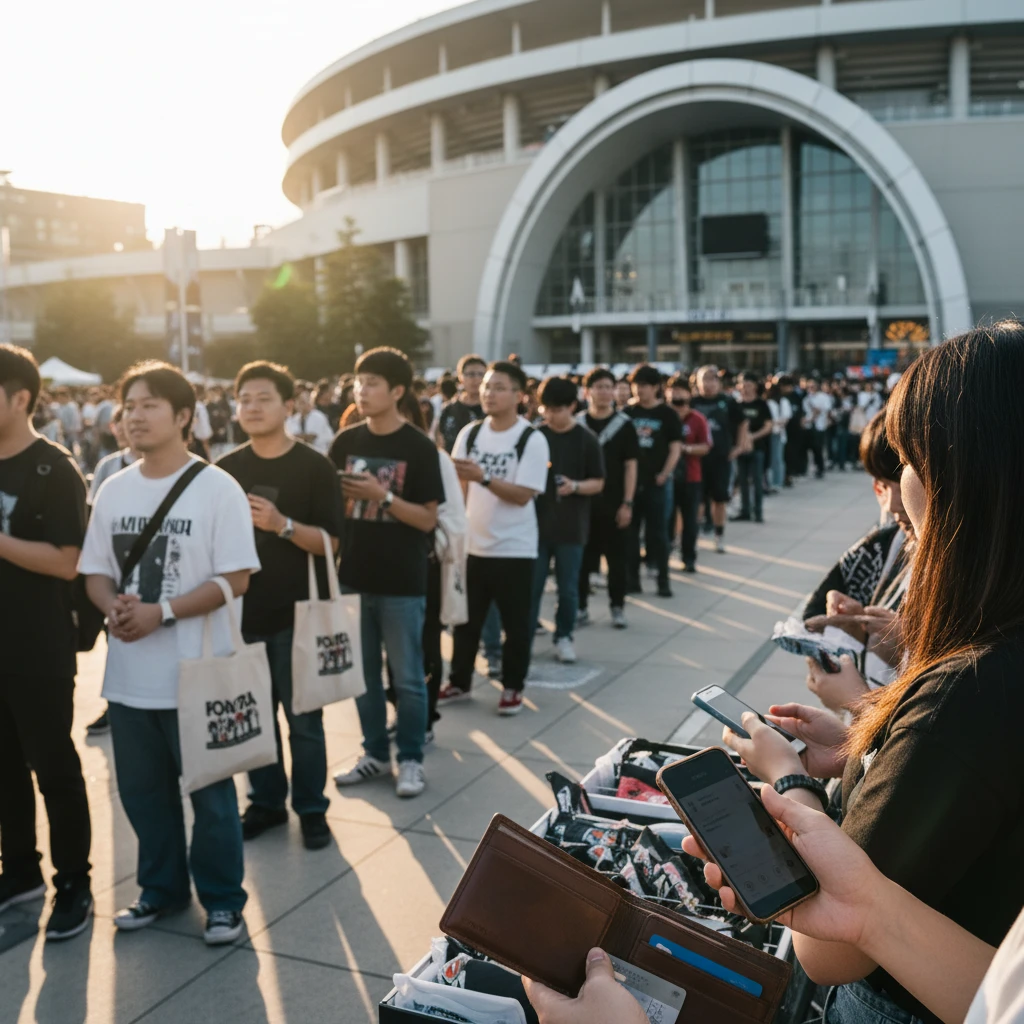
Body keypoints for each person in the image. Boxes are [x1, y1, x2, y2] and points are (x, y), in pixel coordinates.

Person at [717, 321, 1024, 1024]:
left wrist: (786, 781)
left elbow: (830, 950)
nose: (897, 488)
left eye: (911, 458)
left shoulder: (971, 691)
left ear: (966, 477)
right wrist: (865, 743)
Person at [79, 361, 260, 946]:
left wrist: (165, 612)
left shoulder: (217, 487)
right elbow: (95, 573)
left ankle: (224, 901)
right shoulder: (112, 487)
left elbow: (237, 577)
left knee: (211, 798)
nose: (135, 415)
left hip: (199, 674)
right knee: (143, 795)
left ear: (184, 416)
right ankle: (161, 887)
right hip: (129, 679)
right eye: (128, 404)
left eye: (149, 404)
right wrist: (113, 607)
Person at [217, 362, 345, 849]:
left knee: (304, 723)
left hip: (299, 617)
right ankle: (266, 803)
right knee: (254, 719)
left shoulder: (315, 467)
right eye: (243, 398)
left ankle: (312, 808)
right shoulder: (225, 470)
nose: (250, 407)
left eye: (262, 398)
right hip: (240, 616)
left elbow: (333, 543)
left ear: (290, 406)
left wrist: (282, 525)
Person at [0, 344, 93, 942]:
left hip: (38, 648)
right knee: (3, 769)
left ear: (20, 398)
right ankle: (20, 874)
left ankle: (73, 887)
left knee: (53, 767)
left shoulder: (53, 467)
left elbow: (66, 562)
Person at [329, 348, 444, 799]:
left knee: (409, 678)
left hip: (402, 582)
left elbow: (428, 519)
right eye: (359, 382)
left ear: (397, 391)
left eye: (372, 382)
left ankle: (410, 758)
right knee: (362, 678)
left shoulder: (418, 447)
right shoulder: (346, 441)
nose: (362, 390)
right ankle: (374, 753)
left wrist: (384, 497)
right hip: (353, 576)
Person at [438, 361, 550, 716]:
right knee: (465, 622)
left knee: (516, 626)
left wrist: (483, 478)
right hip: (473, 546)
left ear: (519, 396)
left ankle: (513, 687)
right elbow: (456, 487)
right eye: (486, 386)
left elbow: (523, 494)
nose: (488, 393)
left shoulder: (530, 438)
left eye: (499, 387)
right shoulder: (470, 434)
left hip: (515, 548)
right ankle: (459, 681)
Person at [530, 377, 604, 663]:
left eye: (558, 409)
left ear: (572, 406)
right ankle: (524, 637)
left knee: (568, 588)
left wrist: (574, 486)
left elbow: (598, 482)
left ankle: (564, 636)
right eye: (546, 408)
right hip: (536, 527)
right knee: (531, 588)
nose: (551, 415)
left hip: (572, 527)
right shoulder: (536, 435)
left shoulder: (587, 439)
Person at [576, 368, 638, 629]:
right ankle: (580, 607)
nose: (603, 392)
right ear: (587, 391)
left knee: (617, 560)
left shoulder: (625, 425)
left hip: (614, 504)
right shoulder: (576, 424)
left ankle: (617, 606)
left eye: (608, 386)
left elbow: (631, 466)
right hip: (581, 504)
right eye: (598, 386)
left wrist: (627, 502)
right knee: (581, 560)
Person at [624, 365, 682, 598]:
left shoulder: (667, 414)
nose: (640, 390)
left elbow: (675, 448)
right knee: (630, 535)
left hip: (657, 484)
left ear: (656, 387)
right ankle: (632, 579)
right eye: (636, 385)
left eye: (645, 385)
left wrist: (665, 473)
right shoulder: (627, 413)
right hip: (631, 485)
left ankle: (663, 580)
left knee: (658, 535)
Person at [690, 365, 747, 553]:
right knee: (696, 501)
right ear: (697, 382)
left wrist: (739, 446)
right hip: (696, 460)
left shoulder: (728, 402)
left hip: (721, 458)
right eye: (704, 379)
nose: (708, 383)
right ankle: (692, 537)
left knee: (719, 499)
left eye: (712, 379)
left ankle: (719, 535)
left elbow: (742, 422)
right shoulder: (692, 402)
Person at [665, 377, 710, 573]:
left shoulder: (697, 419)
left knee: (690, 520)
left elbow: (706, 446)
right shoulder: (664, 417)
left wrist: (685, 449)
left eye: (681, 399)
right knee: (666, 519)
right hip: (667, 477)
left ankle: (689, 557)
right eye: (674, 397)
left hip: (691, 477)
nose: (678, 403)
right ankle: (662, 555)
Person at [733, 374, 773, 524]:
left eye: (748, 384)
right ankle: (745, 511)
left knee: (756, 481)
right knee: (742, 481)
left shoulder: (761, 404)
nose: (745, 387)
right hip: (740, 449)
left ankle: (758, 511)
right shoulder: (737, 404)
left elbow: (768, 426)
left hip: (757, 448)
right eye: (743, 384)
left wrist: (752, 436)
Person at [436, 354, 485, 454]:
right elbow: (440, 441)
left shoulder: (493, 410)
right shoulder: (448, 409)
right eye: (471, 374)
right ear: (460, 377)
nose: (476, 379)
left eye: (481, 374)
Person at [286, 385, 334, 456]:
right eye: (299, 402)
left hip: (320, 454)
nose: (302, 405)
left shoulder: (318, 416)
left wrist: (297, 437)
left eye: (304, 401)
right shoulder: (293, 419)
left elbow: (311, 437)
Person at [802, 378, 833, 480]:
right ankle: (809, 467)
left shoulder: (823, 397)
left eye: (812, 386)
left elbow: (825, 410)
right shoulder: (806, 398)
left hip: (820, 426)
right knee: (809, 448)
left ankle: (820, 468)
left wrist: (814, 417)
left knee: (818, 448)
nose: (811, 388)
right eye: (809, 386)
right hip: (809, 426)